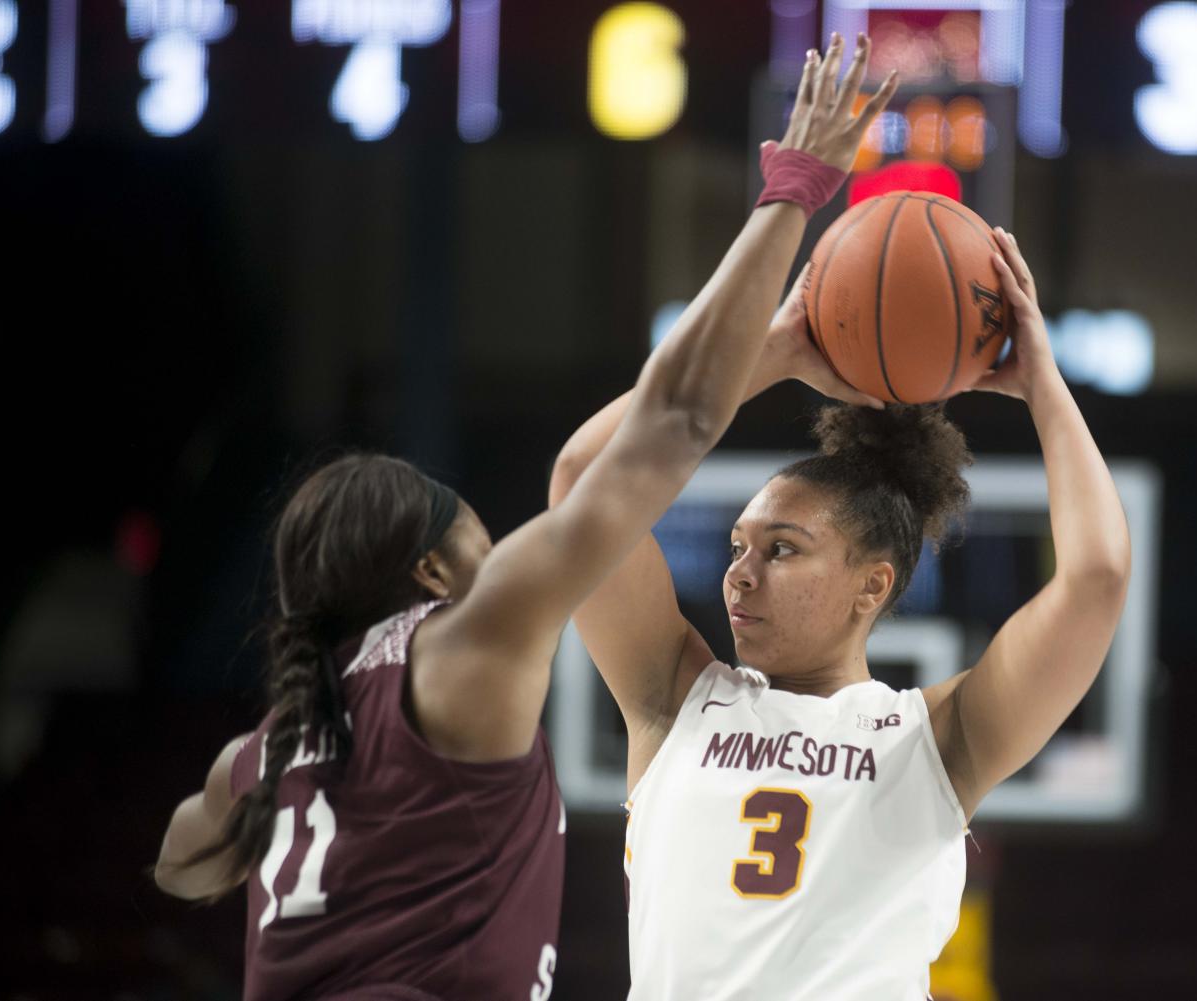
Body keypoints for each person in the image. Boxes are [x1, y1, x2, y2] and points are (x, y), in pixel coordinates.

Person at [152, 34, 898, 1001]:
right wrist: (791, 201)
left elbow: (181, 863)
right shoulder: (466, 640)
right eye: (478, 534)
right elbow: (670, 423)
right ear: (430, 575)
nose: (502, 551)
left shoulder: (268, 745)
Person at [550, 190, 1132, 998]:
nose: (739, 573)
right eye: (737, 546)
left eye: (782, 549)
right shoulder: (670, 698)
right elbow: (582, 482)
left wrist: (1043, 385)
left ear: (873, 584)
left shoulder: (934, 739)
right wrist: (777, 350)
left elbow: (1097, 576)